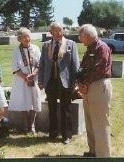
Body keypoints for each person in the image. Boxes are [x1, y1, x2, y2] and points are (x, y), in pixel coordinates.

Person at [38, 22, 80, 144]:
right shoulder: (46, 45)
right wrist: (41, 80)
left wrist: (75, 82)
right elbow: (42, 64)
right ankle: (53, 133)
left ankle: (66, 135)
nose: (57, 33)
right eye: (54, 31)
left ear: (63, 31)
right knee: (52, 109)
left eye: (59, 30)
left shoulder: (71, 44)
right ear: (50, 32)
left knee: (65, 109)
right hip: (50, 81)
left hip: (65, 82)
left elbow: (75, 65)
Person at [77, 24, 112, 157]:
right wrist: (80, 83)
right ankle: (93, 151)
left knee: (100, 122)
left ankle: (103, 155)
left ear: (87, 35)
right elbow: (82, 68)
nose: (79, 38)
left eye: (80, 35)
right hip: (89, 86)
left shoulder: (101, 47)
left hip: (98, 85)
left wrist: (84, 83)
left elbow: (99, 69)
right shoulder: (90, 48)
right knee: (90, 120)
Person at [8, 27, 41, 134]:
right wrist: (25, 77)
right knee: (24, 103)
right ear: (19, 39)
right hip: (21, 80)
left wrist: (33, 74)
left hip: (34, 79)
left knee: (34, 101)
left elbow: (39, 64)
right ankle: (25, 125)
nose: (27, 39)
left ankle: (32, 125)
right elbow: (15, 68)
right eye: (24, 37)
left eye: (28, 36)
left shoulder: (36, 48)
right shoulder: (16, 51)